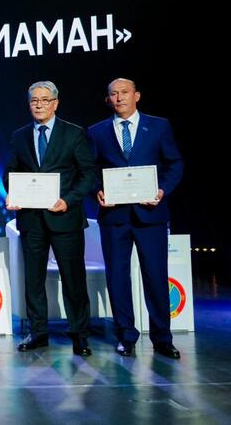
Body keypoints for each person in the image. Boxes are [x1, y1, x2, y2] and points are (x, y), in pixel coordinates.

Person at [88, 78, 184, 359]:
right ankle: (126, 337)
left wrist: (162, 190)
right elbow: (88, 169)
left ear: (137, 95)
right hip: (114, 216)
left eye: (124, 93)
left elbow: (174, 163)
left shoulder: (159, 126)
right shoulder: (96, 131)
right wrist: (97, 190)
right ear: (108, 99)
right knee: (118, 277)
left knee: (155, 277)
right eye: (113, 94)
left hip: (151, 214)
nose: (119, 98)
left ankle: (162, 339)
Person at [4, 81, 97, 356]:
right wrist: (13, 194)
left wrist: (68, 200)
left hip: (65, 217)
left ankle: (80, 335)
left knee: (73, 279)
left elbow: (88, 174)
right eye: (34, 100)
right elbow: (10, 172)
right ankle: (38, 332)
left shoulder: (74, 133)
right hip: (31, 220)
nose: (39, 105)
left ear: (55, 103)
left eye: (45, 100)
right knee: (33, 280)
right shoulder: (19, 136)